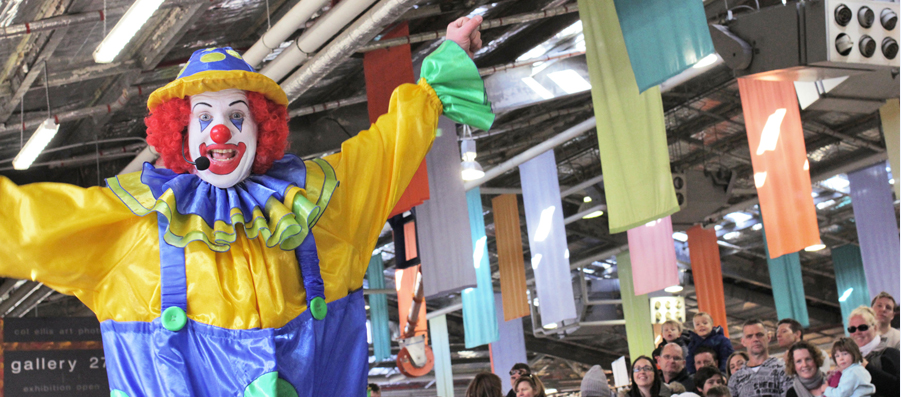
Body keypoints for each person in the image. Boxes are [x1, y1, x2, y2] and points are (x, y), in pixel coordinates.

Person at [0, 17, 492, 396]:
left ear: (261, 129)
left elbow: (389, 147)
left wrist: (444, 66)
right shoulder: (132, 228)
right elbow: (25, 223)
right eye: (204, 118)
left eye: (237, 116)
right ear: (182, 133)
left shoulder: (319, 207)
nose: (221, 131)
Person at [727, 319, 791, 397]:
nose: (755, 339)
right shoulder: (735, 378)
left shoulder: (783, 369)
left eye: (759, 335)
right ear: (743, 341)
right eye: (749, 336)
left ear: (768, 337)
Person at [846, 306, 899, 397]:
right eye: (852, 329)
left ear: (875, 328)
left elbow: (897, 388)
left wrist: (867, 366)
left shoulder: (891, 354)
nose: (857, 332)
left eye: (862, 327)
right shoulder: (849, 361)